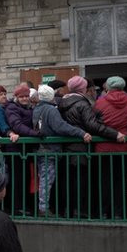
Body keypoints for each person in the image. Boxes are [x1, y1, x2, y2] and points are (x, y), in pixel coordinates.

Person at [58, 76, 124, 219]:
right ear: (83, 88)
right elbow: (92, 125)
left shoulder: (61, 103)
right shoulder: (82, 104)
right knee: (81, 181)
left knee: (68, 181)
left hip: (66, 148)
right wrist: (114, 134)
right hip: (81, 147)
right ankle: (80, 211)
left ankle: (68, 211)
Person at [32, 85, 91, 217]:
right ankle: (43, 208)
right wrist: (80, 132)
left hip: (41, 149)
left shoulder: (37, 108)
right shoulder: (50, 110)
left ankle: (44, 207)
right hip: (50, 150)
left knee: (45, 179)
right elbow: (60, 126)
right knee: (47, 179)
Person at [94, 76, 127, 219]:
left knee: (104, 181)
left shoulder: (99, 103)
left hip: (103, 147)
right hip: (123, 146)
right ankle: (119, 212)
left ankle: (103, 212)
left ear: (108, 87)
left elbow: (96, 124)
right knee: (120, 181)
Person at [4, 83, 40, 216]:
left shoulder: (30, 107)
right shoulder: (12, 108)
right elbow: (17, 125)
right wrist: (34, 133)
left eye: (26, 96)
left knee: (27, 178)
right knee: (17, 179)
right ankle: (17, 207)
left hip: (27, 150)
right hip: (16, 149)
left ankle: (27, 206)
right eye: (22, 96)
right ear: (17, 97)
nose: (24, 98)